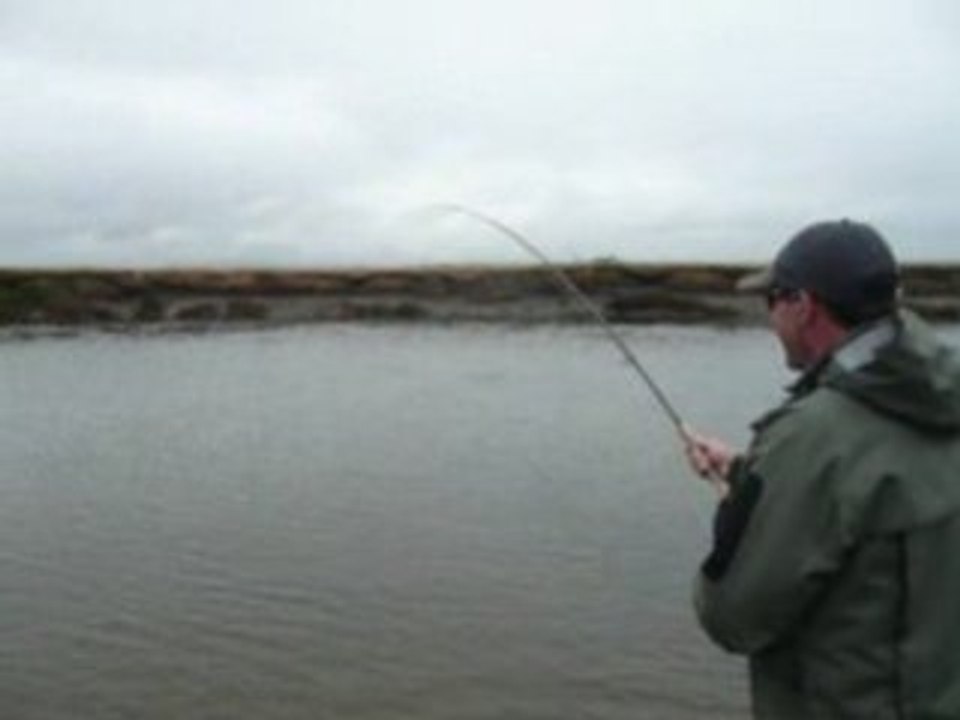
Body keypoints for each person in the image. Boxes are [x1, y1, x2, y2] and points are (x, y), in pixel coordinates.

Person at [684, 219, 960, 719]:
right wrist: (749, 475)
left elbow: (733, 617)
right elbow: (882, 495)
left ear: (803, 306)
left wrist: (738, 515)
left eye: (772, 299)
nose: (769, 317)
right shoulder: (944, 401)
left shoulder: (811, 440)